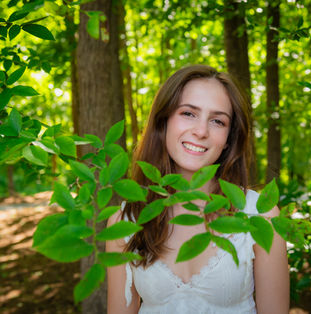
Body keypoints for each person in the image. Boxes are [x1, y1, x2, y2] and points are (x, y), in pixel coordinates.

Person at [106, 65, 289, 313]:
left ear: (228, 139)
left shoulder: (260, 215)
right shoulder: (126, 220)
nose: (201, 131)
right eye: (189, 113)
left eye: (217, 121)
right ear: (164, 121)